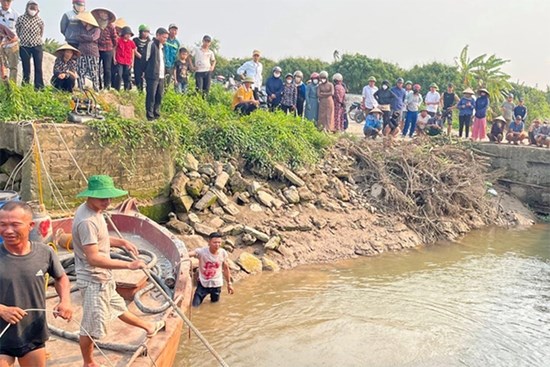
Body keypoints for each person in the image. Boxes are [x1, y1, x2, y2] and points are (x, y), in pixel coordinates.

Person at [72, 175, 165, 367]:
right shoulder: (87, 221)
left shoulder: (94, 211)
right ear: (90, 196)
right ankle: (88, 363)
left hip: (102, 279)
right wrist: (129, 265)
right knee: (90, 326)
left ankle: (148, 326)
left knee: (116, 306)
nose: (107, 202)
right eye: (102, 198)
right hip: (93, 280)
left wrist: (121, 242)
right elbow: (93, 257)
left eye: (109, 198)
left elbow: (101, 240)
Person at [0, 201, 73, 367]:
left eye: (15, 225)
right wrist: (2, 309)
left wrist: (65, 301)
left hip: (32, 332)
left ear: (30, 225)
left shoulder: (45, 252)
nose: (8, 230)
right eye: (2, 225)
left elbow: (61, 278)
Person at [189, 232, 234, 307]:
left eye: (219, 242)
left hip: (216, 284)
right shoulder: (202, 252)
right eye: (215, 242)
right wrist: (183, 256)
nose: (217, 245)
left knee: (215, 305)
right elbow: (191, 253)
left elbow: (226, 268)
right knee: (195, 305)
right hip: (203, 283)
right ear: (209, 242)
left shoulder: (223, 253)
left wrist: (229, 284)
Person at [14, 0, 43, 89]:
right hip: (24, 46)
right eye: (31, 8)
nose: (33, 10)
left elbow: (41, 32)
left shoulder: (40, 20)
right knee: (26, 68)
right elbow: (18, 30)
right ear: (27, 8)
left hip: (37, 46)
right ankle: (25, 86)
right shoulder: (21, 18)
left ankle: (39, 87)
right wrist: (23, 38)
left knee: (38, 67)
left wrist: (35, 39)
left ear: (37, 9)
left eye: (34, 8)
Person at [144, 27, 168, 121]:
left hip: (161, 76)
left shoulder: (162, 47)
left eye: (166, 38)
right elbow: (145, 59)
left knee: (159, 96)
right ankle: (149, 116)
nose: (165, 39)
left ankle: (156, 114)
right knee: (151, 95)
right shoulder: (151, 44)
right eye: (164, 37)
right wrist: (144, 71)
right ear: (157, 35)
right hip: (152, 75)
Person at [91, 8, 116, 90]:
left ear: (108, 16)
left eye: (105, 14)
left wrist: (112, 47)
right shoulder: (95, 24)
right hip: (97, 48)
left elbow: (114, 38)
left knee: (107, 68)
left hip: (108, 49)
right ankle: (98, 85)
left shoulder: (111, 26)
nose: (103, 15)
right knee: (96, 67)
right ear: (99, 14)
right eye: (101, 13)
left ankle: (107, 86)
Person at [75, 11, 100, 91]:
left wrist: (84, 37)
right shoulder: (81, 29)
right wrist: (86, 37)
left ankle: (96, 89)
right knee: (80, 71)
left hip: (92, 53)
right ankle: (81, 88)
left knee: (94, 72)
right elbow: (77, 37)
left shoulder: (96, 29)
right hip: (81, 52)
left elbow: (93, 38)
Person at [0, 0, 19, 82]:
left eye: (8, 1)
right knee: (1, 67)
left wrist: (14, 40)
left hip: (12, 44)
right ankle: (2, 86)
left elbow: (19, 31)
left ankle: (12, 87)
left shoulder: (15, 14)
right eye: (4, 1)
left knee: (13, 67)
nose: (6, 3)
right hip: (0, 45)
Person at [113, 26, 135, 91]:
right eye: (127, 34)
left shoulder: (131, 42)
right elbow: (114, 49)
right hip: (119, 60)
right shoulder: (118, 40)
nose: (128, 35)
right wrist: (114, 58)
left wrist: (132, 62)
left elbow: (133, 52)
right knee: (119, 75)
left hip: (128, 61)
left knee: (127, 76)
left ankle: (127, 90)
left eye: (129, 34)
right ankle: (117, 89)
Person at [132, 24, 150, 92]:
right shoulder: (135, 40)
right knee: (138, 77)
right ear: (140, 32)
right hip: (138, 61)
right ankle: (140, 91)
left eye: (147, 32)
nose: (146, 33)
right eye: (144, 31)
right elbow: (134, 50)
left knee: (146, 77)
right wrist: (141, 57)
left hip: (146, 62)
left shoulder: (149, 42)